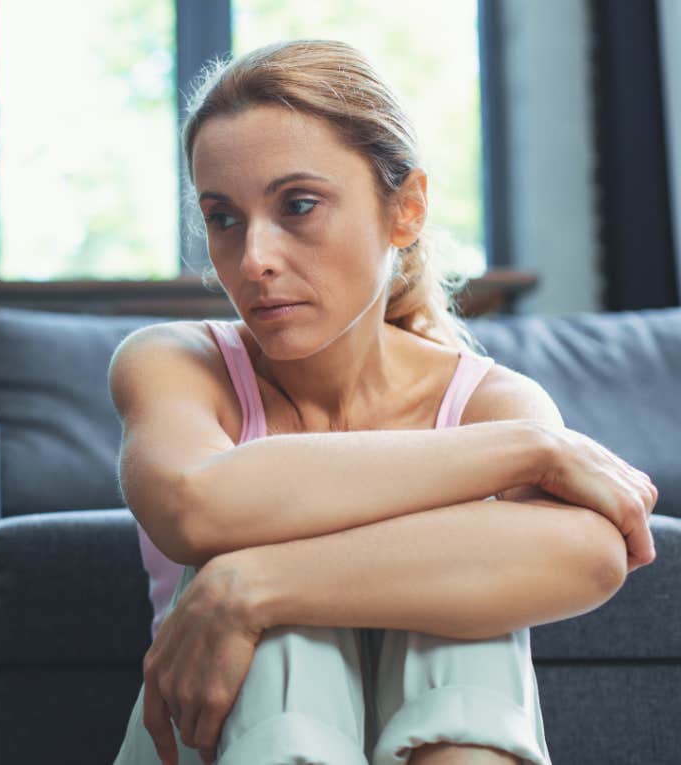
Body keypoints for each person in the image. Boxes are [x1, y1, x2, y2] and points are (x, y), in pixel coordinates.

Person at [107, 39, 659, 765]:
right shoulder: (176, 362)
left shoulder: (486, 398)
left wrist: (254, 587)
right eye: (224, 218)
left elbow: (592, 553)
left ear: (405, 211)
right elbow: (195, 504)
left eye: (297, 205)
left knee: (460, 612)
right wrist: (536, 449)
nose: (254, 260)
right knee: (289, 612)